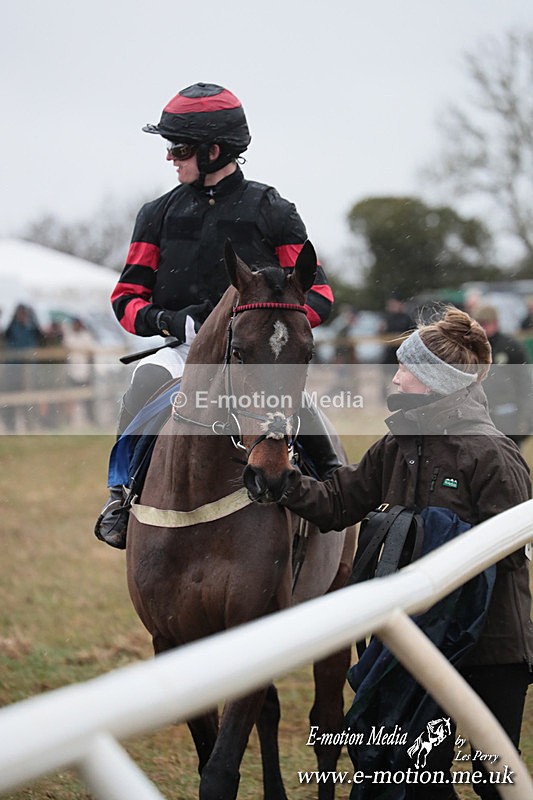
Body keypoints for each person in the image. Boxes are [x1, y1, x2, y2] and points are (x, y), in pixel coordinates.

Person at [268, 307, 533, 799]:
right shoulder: (397, 444)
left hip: (492, 646)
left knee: (496, 782)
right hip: (420, 642)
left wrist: (430, 538)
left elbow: (513, 551)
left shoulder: (492, 454)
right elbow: (336, 503)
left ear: (436, 383)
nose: (395, 375)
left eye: (406, 369)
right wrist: (282, 480)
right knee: (414, 780)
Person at [95, 81, 340, 548]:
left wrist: (274, 331)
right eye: (171, 147)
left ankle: (334, 485)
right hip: (184, 349)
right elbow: (125, 299)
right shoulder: (156, 215)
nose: (171, 157)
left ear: (214, 149)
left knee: (289, 396)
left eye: (179, 148)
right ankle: (122, 495)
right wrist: (170, 322)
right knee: (143, 384)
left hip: (259, 348)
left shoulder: (273, 210)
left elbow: (320, 295)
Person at [473, 304, 533, 448]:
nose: (482, 329)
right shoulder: (473, 347)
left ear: (495, 323)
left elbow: (525, 384)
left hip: (507, 416)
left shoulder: (511, 346)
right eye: (479, 324)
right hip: (481, 416)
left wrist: (525, 418)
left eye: (485, 324)